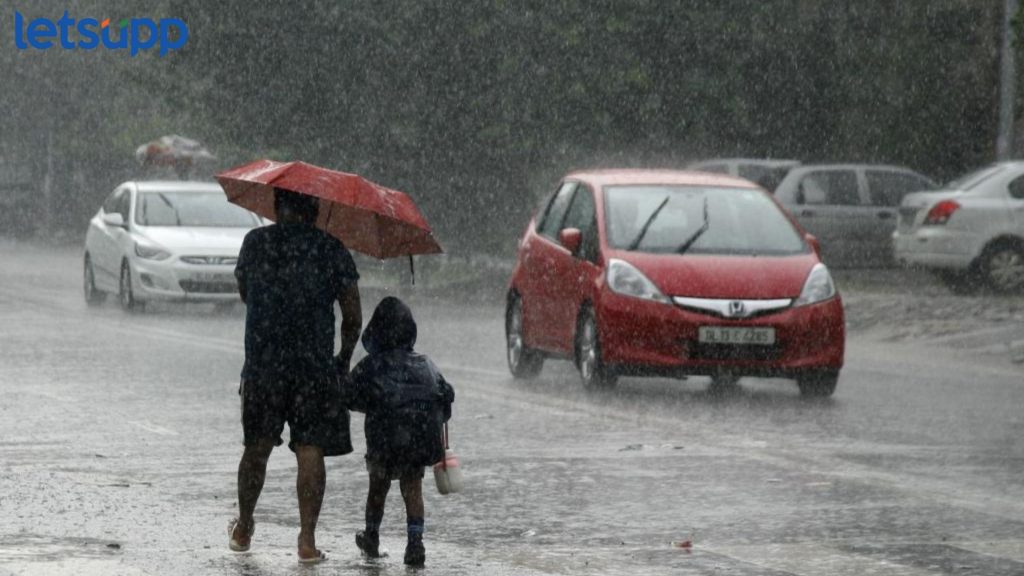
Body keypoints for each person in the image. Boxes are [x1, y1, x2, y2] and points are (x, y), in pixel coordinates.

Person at [228, 187, 362, 564]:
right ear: (316, 210)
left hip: (264, 365)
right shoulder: (332, 249)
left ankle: (244, 526)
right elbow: (353, 316)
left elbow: (245, 293)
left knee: (256, 447)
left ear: (276, 207)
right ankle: (307, 540)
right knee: (310, 448)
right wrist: (342, 359)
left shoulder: (255, 243)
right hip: (314, 369)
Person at [346, 297, 455, 567]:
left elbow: (349, 395)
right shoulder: (426, 364)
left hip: (383, 439)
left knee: (378, 488)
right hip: (417, 440)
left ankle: (372, 535)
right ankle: (415, 543)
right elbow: (444, 395)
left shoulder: (370, 365)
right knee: (413, 488)